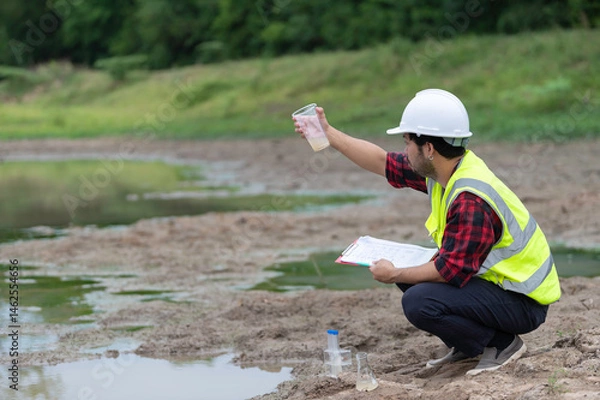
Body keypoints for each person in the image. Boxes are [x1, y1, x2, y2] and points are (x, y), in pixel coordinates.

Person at [293, 89, 562, 375]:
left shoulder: (471, 198)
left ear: (429, 148)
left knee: (418, 301)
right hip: (497, 287)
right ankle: (468, 345)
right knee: (414, 276)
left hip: (521, 302)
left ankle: (502, 343)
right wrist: (329, 133)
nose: (404, 150)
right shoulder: (446, 171)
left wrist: (394, 273)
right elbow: (383, 162)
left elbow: (450, 271)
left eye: (408, 142)